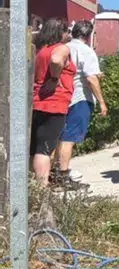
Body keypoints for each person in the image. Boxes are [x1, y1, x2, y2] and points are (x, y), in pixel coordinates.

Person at [55, 21, 107, 187]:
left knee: (58, 136)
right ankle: (63, 177)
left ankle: (55, 172)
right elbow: (90, 78)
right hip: (79, 98)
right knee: (69, 138)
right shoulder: (87, 51)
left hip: (61, 96)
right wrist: (102, 102)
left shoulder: (64, 47)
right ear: (89, 35)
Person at [31, 18, 74, 186]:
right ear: (60, 33)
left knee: (35, 148)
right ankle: (41, 189)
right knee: (45, 149)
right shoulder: (61, 48)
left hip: (38, 101)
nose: (68, 34)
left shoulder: (40, 50)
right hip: (54, 103)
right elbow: (56, 60)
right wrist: (55, 78)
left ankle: (32, 186)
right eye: (66, 31)